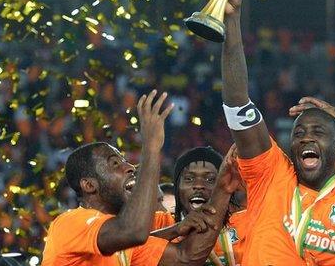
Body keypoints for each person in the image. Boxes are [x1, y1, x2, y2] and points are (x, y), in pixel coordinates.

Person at [215, 0, 335, 265]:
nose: (306, 136)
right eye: (298, 133)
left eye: (318, 132)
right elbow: (237, 103)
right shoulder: (270, 174)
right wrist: (231, 21)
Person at [42, 90, 240, 265]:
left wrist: (223, 190)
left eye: (124, 161)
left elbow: (186, 258)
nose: (129, 167)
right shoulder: (69, 224)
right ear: (89, 185)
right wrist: (151, 148)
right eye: (115, 164)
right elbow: (133, 231)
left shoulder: (123, 244)